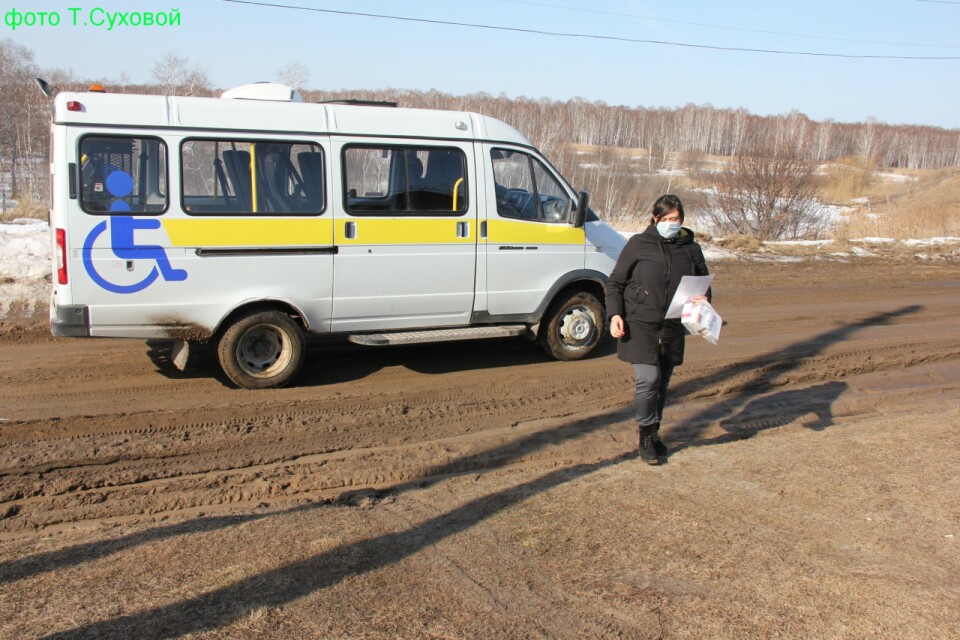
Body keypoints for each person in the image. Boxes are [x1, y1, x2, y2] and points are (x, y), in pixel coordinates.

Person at [604, 194, 710, 465]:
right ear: (655, 218)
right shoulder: (639, 244)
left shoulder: (691, 249)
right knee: (648, 379)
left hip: (673, 324)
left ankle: (654, 432)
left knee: (662, 382)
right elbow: (615, 282)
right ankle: (645, 437)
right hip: (639, 323)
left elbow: (703, 284)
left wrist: (705, 297)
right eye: (665, 219)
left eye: (675, 219)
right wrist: (615, 313)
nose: (671, 224)